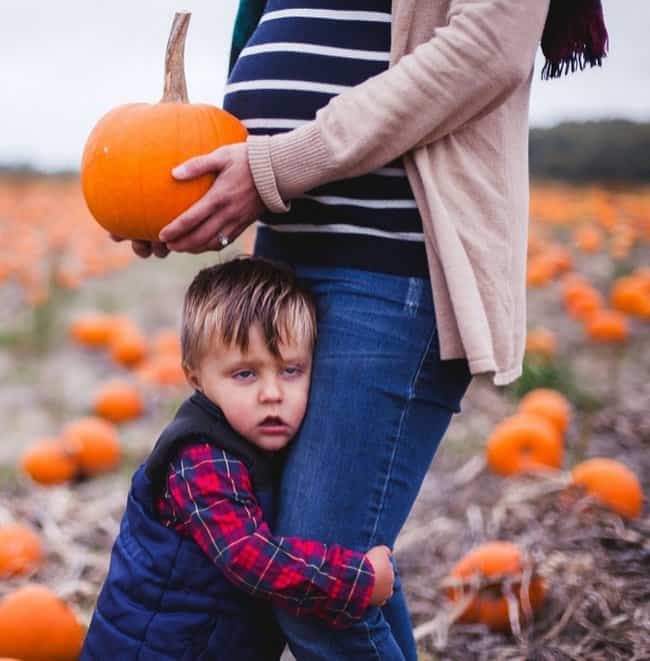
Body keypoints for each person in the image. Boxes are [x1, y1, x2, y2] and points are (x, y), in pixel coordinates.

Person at [116, 1, 608, 657]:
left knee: (319, 592)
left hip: (394, 262)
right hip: (287, 256)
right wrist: (175, 195)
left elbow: (490, 45)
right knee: (347, 570)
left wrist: (275, 167)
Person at [81, 256, 396, 660]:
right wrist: (356, 582)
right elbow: (248, 556)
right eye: (245, 374)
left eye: (291, 370)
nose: (272, 393)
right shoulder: (202, 461)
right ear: (195, 378)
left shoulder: (257, 437)